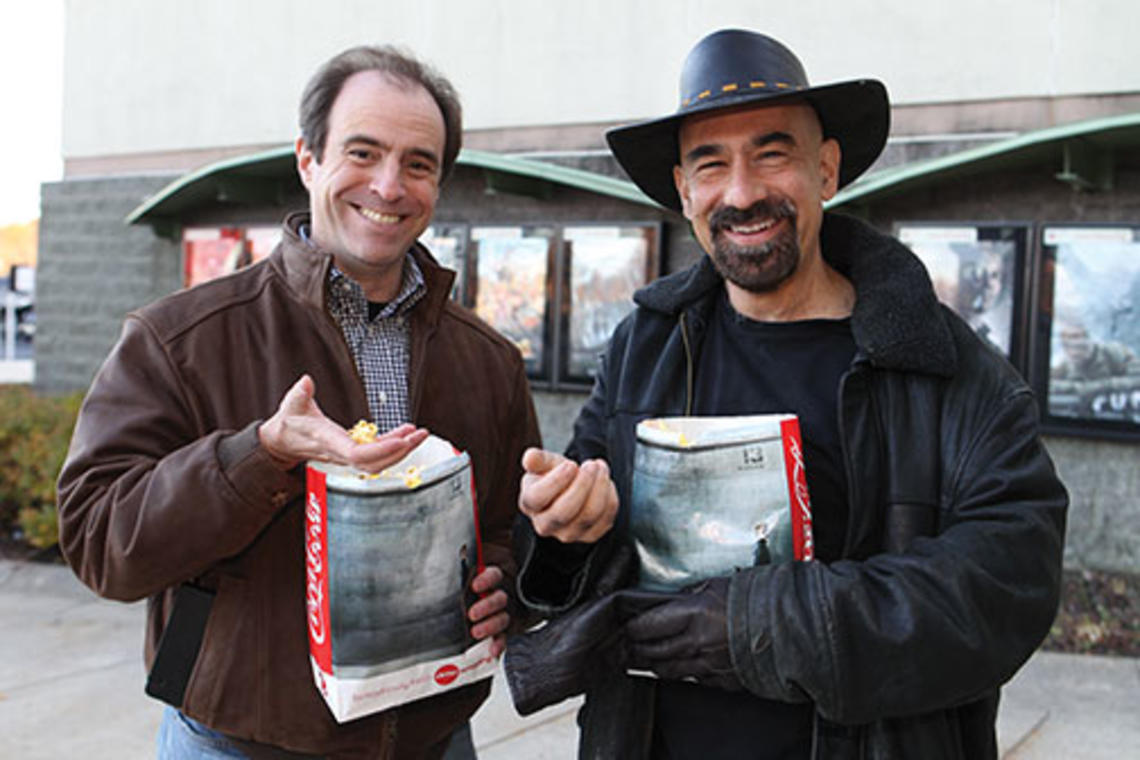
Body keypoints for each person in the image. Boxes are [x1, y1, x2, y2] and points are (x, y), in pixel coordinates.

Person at [509, 29, 1068, 759]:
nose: (741, 193)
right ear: (684, 191)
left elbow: (1007, 582)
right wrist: (562, 535)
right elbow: (588, 552)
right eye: (711, 164)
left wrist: (759, 626)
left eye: (772, 154)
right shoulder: (646, 345)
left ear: (827, 170)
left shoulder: (943, 365)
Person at [57, 45, 540, 759]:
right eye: (363, 152)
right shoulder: (177, 339)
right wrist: (261, 455)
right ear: (308, 159)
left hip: (434, 738)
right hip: (238, 740)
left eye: (418, 163)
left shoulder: (490, 360)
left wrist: (506, 583)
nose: (388, 185)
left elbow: (507, 527)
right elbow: (101, 544)